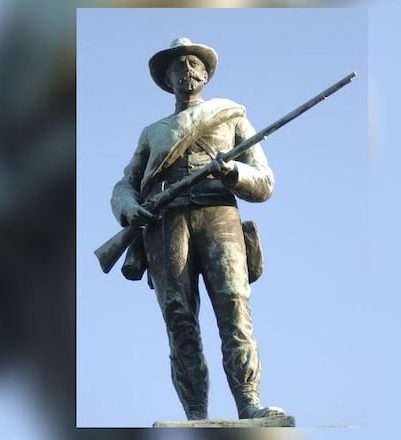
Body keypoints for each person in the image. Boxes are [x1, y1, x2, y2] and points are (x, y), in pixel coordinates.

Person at [110, 38, 285, 420]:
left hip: (218, 213)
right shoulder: (152, 133)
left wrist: (232, 171)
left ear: (205, 73)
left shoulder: (231, 114)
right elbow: (124, 184)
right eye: (177, 66)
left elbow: (265, 181)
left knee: (234, 305)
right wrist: (129, 207)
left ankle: (248, 403)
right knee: (178, 316)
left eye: (193, 64)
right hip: (166, 223)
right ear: (166, 79)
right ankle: (194, 415)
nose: (186, 70)